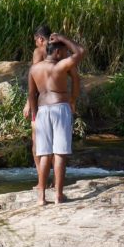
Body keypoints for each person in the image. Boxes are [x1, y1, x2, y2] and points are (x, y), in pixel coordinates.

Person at [27, 32, 85, 205]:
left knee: (44, 154)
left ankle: (41, 197)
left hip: (42, 111)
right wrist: (63, 39)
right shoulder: (60, 66)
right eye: (64, 52)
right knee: (59, 153)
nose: (67, 55)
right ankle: (59, 195)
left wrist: (34, 114)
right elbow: (80, 52)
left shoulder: (34, 69)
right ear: (58, 53)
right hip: (60, 108)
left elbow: (31, 94)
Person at [23, 25, 81, 165]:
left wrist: (29, 104)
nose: (36, 44)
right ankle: (56, 181)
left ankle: (41, 182)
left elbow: (35, 78)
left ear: (41, 39)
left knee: (38, 143)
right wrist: (73, 99)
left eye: (36, 40)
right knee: (59, 147)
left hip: (41, 103)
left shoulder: (38, 52)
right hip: (61, 103)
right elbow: (75, 77)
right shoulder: (62, 52)